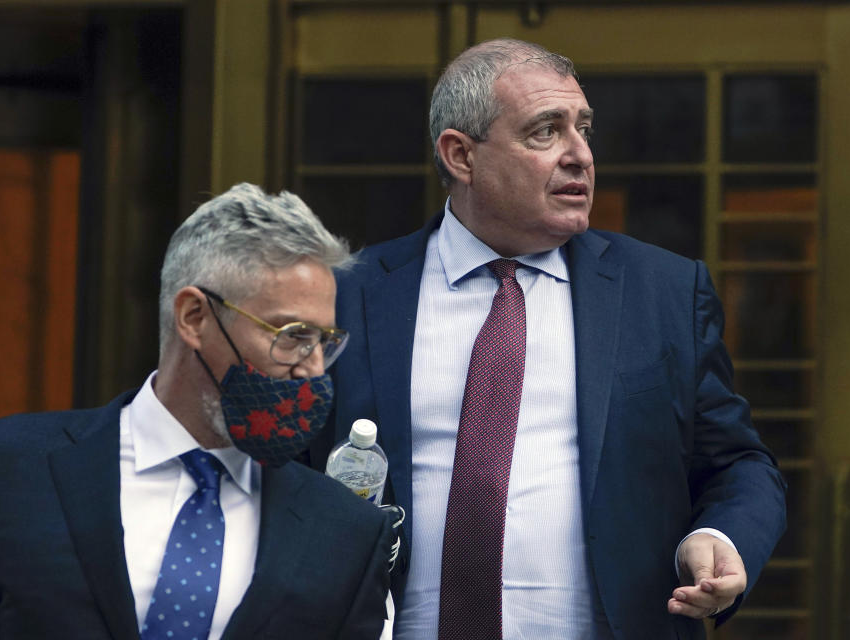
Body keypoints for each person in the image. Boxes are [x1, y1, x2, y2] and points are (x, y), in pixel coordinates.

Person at [309, 38, 786, 639]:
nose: (581, 155)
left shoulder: (663, 291)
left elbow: (737, 461)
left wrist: (718, 538)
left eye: (584, 129)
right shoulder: (350, 294)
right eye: (545, 132)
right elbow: (287, 472)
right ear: (461, 156)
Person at [0, 183, 397, 640]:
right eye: (292, 336)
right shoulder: (3, 473)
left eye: (324, 342)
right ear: (194, 317)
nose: (313, 369)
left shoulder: (346, 533)